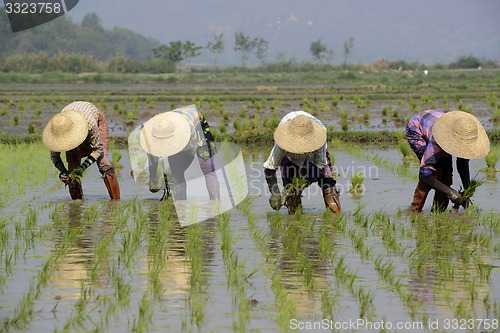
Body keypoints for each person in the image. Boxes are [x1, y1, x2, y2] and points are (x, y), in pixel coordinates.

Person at [405, 110, 490, 212]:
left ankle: (438, 211)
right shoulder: (437, 141)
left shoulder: (464, 138)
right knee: (436, 172)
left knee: (447, 175)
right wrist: (451, 193)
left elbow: (462, 164)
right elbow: (424, 174)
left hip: (436, 123)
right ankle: (415, 208)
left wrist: (467, 188)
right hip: (417, 129)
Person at [263, 111, 341, 214]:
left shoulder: (319, 136)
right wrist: (275, 193)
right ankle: (295, 219)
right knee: (291, 191)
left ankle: (335, 216)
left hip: (314, 156)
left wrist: (305, 183)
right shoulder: (283, 141)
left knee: (327, 181)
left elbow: (320, 164)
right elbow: (270, 167)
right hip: (290, 158)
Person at [42, 101, 121, 200]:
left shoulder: (90, 124)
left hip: (92, 118)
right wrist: (63, 172)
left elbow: (98, 150)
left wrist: (82, 168)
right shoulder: (55, 131)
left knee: (104, 165)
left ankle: (116, 203)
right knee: (72, 172)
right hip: (70, 117)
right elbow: (54, 156)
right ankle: (77, 206)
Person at [139, 104, 220, 201]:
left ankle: (215, 203)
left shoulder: (186, 130)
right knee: (176, 172)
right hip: (178, 121)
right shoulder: (156, 130)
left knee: (207, 168)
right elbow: (152, 156)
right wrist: (153, 180)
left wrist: (176, 169)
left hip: (198, 124)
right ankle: (181, 205)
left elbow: (190, 152)